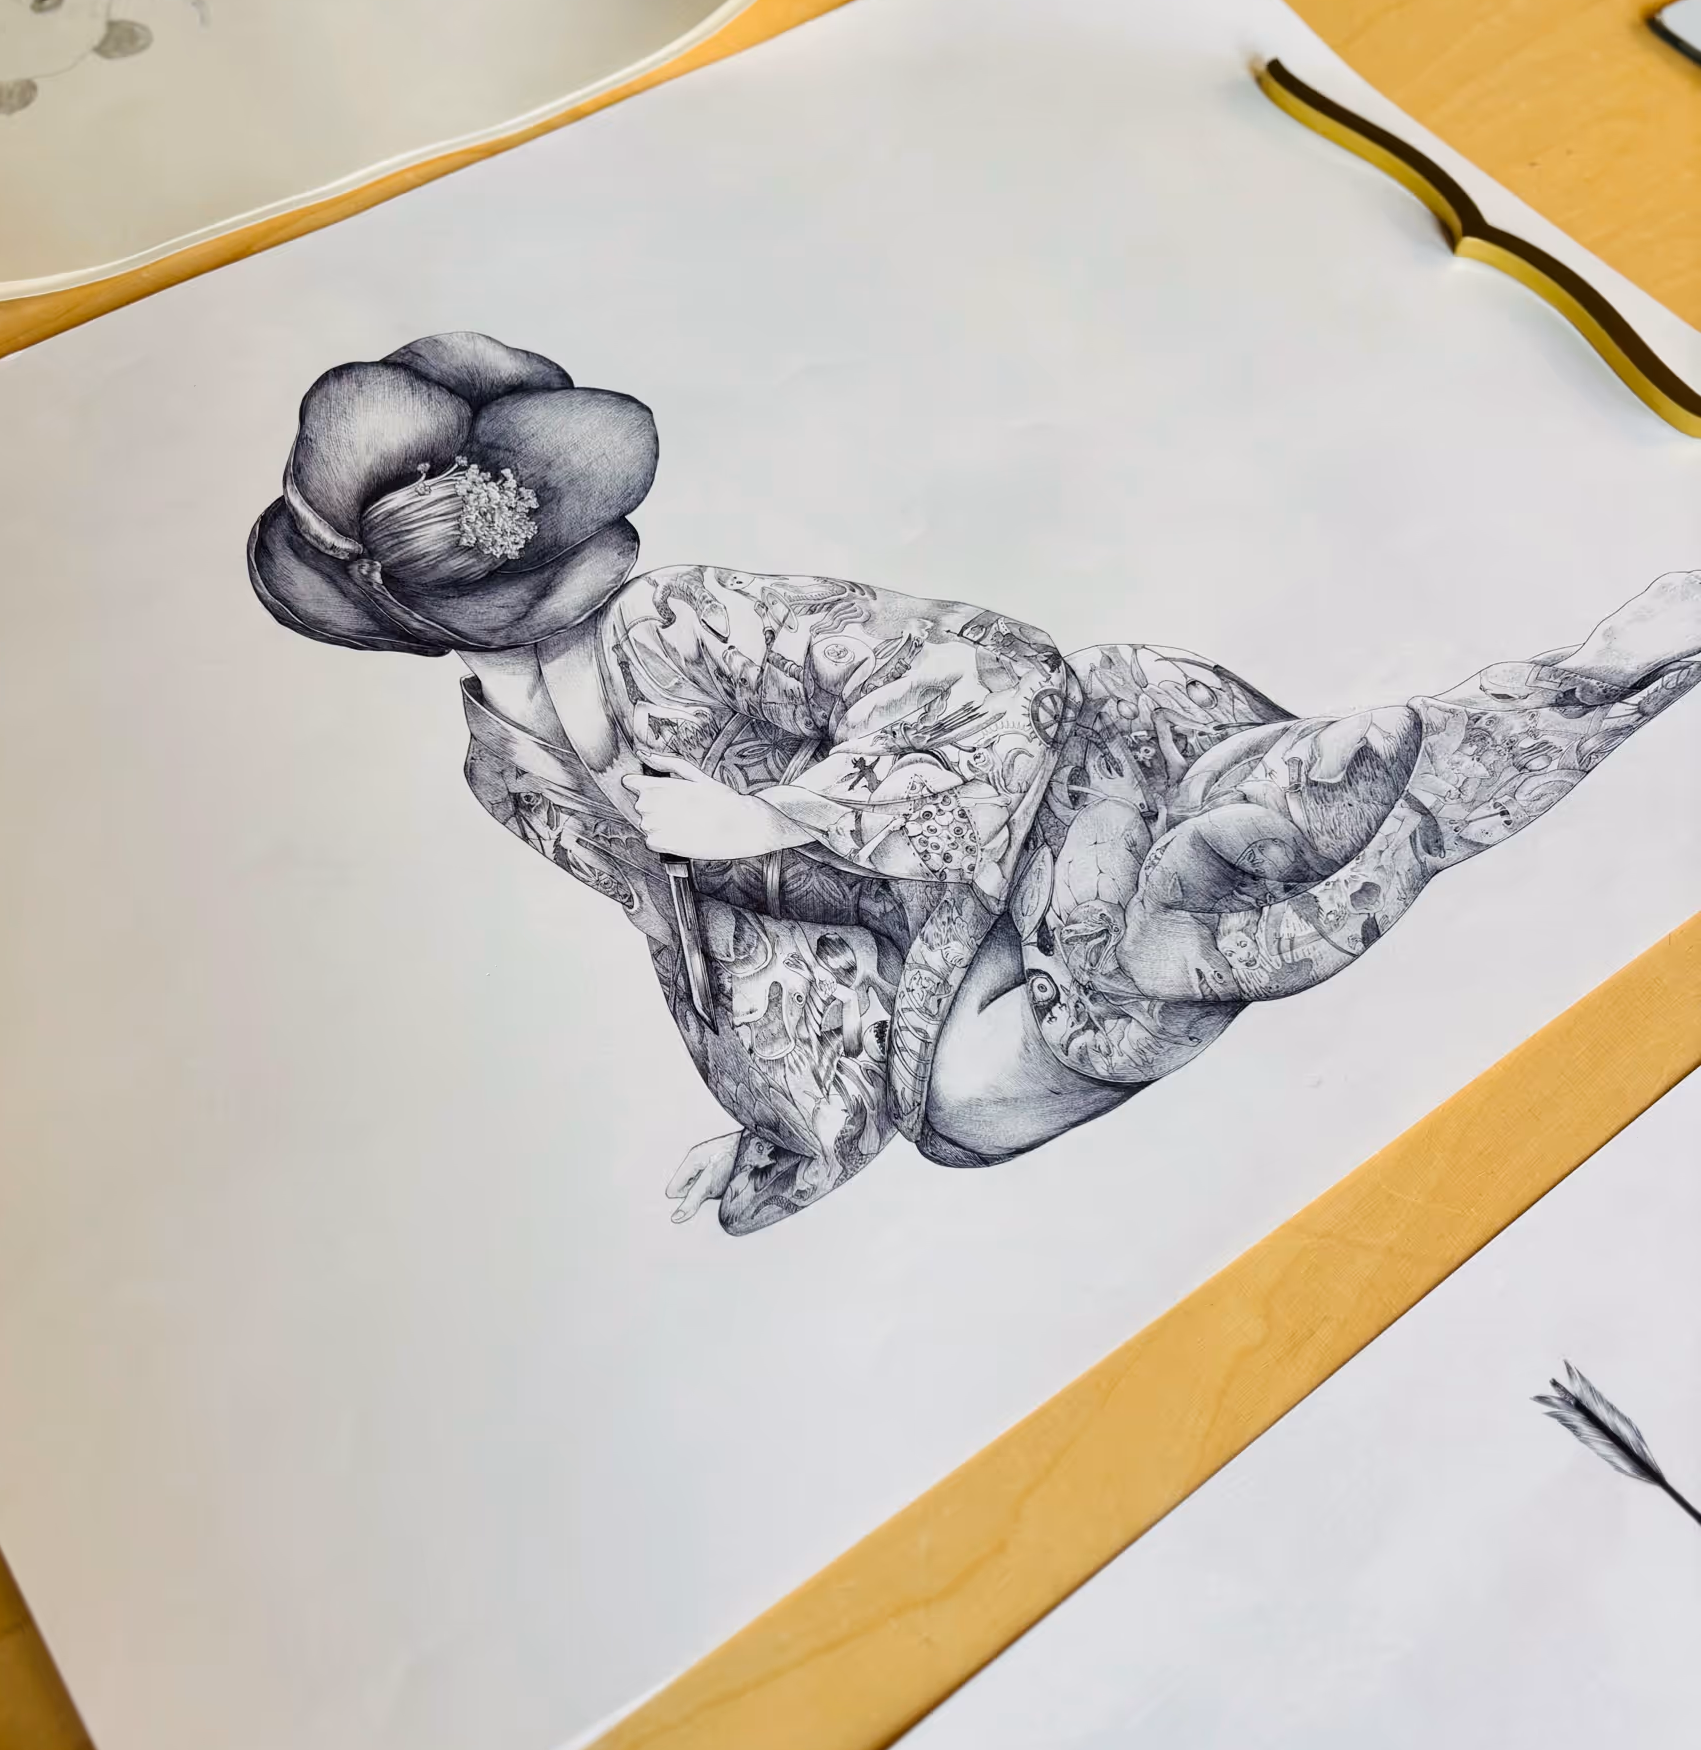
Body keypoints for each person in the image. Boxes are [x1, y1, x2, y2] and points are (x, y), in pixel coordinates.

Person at [250, 331, 1701, 1236]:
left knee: (1215, 872)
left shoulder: (684, 617)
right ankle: (1205, 894)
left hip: (1067, 780)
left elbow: (1000, 673)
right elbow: (716, 947)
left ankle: (1378, 775)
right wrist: (783, 1128)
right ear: (392, 609)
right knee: (964, 1115)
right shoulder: (507, 774)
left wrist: (782, 812)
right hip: (934, 933)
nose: (495, 545)